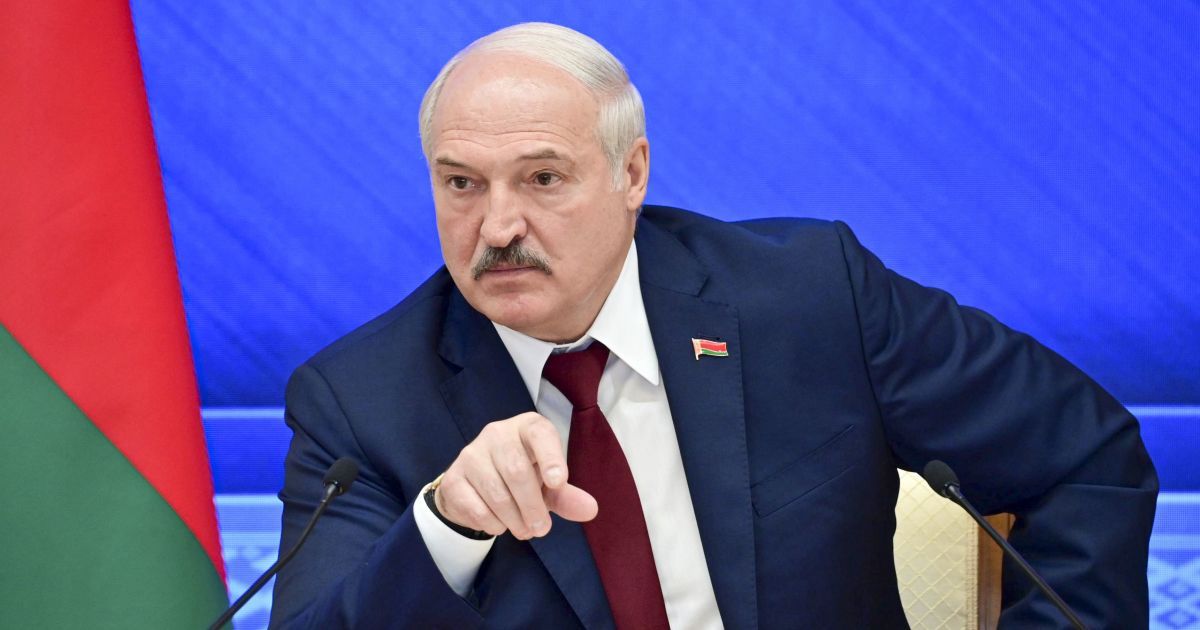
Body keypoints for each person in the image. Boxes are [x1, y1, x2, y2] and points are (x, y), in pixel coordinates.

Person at [268, 22, 1157, 629]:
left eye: (542, 179)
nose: (497, 226)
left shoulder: (812, 299)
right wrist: (449, 524)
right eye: (461, 183)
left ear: (631, 174)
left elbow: (1086, 460)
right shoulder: (361, 403)